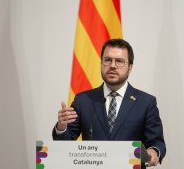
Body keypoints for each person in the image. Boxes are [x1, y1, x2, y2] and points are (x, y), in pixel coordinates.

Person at [53, 38, 166, 167]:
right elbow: (65, 144)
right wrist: (61, 128)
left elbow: (157, 142)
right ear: (101, 64)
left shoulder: (146, 102)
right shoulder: (83, 100)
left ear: (130, 68)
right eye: (107, 60)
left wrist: (154, 151)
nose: (112, 65)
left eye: (119, 61)